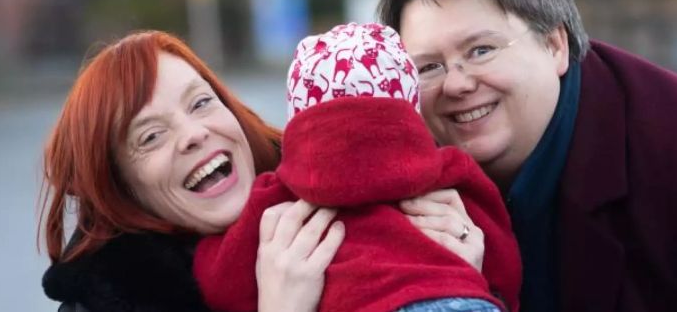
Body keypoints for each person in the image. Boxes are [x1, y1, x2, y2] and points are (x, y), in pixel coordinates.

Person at [377, 0, 677, 312]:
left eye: (481, 51)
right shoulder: (394, 185)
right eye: (428, 67)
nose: (457, 84)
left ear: (555, 45)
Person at [39, 30, 486, 311]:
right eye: (150, 136)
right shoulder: (107, 298)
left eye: (200, 102)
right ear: (120, 187)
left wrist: (463, 270)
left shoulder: (338, 181)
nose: (193, 133)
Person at [194, 23, 521, 312]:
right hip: (459, 297)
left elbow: (225, 283)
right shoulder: (449, 171)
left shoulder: (278, 198)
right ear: (410, 106)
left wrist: (206, 252)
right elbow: (503, 255)